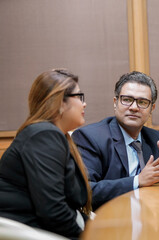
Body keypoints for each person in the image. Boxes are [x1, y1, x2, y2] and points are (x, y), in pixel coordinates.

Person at [72, 71, 159, 210]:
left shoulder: (153, 138)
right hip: (112, 221)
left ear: (152, 108)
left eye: (142, 102)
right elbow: (86, 190)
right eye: (127, 100)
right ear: (115, 102)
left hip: (150, 216)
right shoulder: (91, 137)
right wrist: (137, 181)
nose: (133, 107)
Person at [0, 69, 92, 239]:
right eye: (79, 97)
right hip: (27, 229)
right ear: (60, 103)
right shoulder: (44, 135)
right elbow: (53, 211)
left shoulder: (51, 135)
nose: (84, 104)